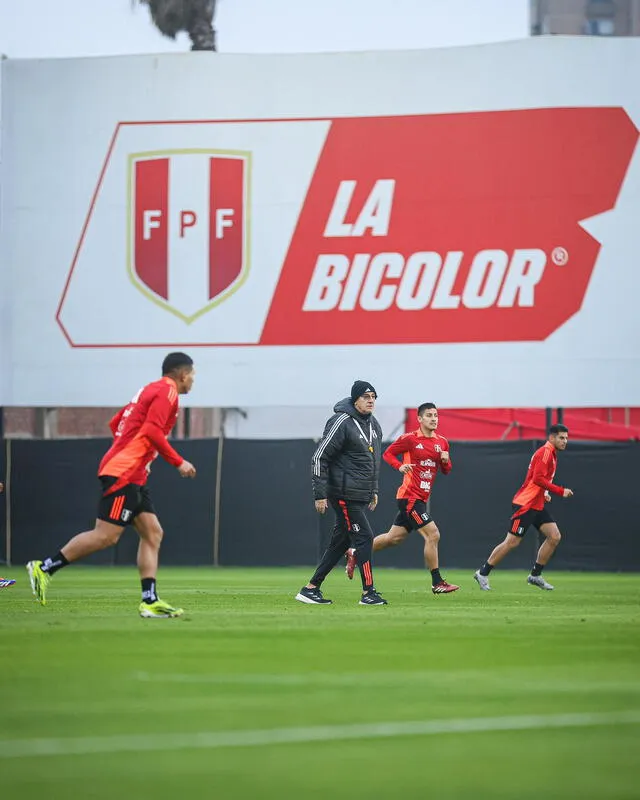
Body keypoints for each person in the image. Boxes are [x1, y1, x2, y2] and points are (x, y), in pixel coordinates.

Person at [26, 352, 197, 617]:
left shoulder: (149, 390)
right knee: (106, 536)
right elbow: (151, 431)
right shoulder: (168, 392)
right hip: (125, 472)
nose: (193, 381)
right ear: (182, 374)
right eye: (193, 375)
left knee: (153, 533)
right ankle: (44, 567)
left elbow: (117, 423)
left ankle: (149, 600)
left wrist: (131, 450)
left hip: (133, 472)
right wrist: (178, 462)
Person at [349, 402, 459, 594]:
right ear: (419, 419)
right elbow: (388, 454)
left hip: (420, 498)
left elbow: (446, 470)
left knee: (393, 539)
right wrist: (399, 466)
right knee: (433, 534)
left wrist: (445, 460)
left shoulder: (442, 442)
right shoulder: (409, 439)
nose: (433, 419)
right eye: (429, 415)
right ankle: (437, 583)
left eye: (436, 415)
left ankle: (356, 552)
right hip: (409, 497)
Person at [295, 381, 387, 606]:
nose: (371, 400)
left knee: (339, 543)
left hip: (360, 493)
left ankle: (311, 588)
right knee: (364, 537)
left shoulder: (374, 424)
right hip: (343, 494)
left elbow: (373, 461)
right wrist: (320, 493)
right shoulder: (341, 421)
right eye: (366, 396)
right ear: (355, 399)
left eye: (373, 396)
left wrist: (373, 489)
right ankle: (368, 593)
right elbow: (319, 457)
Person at [474, 424, 574, 591]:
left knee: (554, 536)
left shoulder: (551, 453)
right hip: (525, 504)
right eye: (561, 438)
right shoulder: (545, 452)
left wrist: (544, 493)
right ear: (551, 438)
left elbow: (539, 481)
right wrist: (560, 491)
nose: (565, 441)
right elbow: (537, 479)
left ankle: (535, 575)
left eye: (566, 438)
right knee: (511, 542)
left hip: (537, 503)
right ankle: (482, 573)